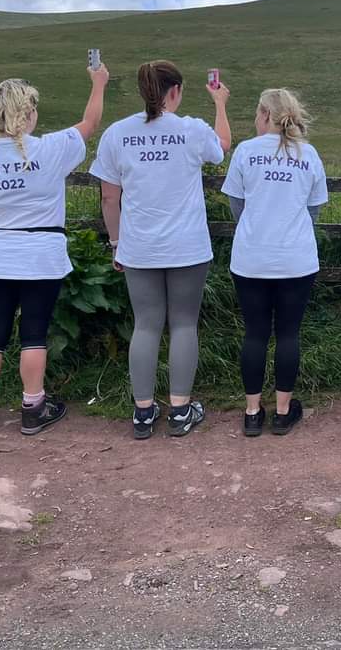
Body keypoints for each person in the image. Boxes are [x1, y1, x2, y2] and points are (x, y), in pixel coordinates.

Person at [0, 63, 110, 437]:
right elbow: (88, 125)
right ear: (27, 114)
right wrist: (98, 83)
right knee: (34, 333)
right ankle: (33, 406)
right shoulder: (51, 149)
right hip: (41, 253)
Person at [90, 60, 231, 439]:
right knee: (184, 324)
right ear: (175, 91)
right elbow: (223, 147)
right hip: (187, 246)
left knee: (146, 325)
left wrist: (116, 243)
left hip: (138, 247)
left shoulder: (118, 134)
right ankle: (181, 411)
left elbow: (108, 196)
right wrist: (219, 104)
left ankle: (142, 412)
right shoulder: (191, 130)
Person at [222, 89, 328, 437]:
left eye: (257, 114)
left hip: (251, 257)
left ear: (266, 115)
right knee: (287, 333)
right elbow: (313, 210)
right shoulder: (308, 154)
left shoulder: (246, 152)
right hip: (296, 258)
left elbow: (237, 205)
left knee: (254, 333)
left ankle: (253, 412)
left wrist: (257, 226)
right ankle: (283, 412)